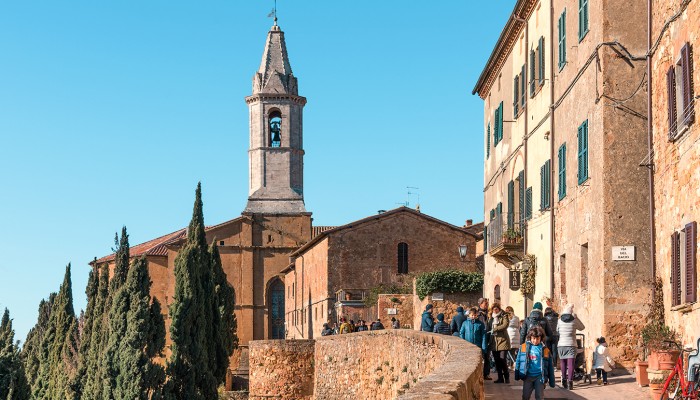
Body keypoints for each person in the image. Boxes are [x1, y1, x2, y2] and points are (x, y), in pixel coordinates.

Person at [514, 326, 555, 400]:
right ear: (530, 338)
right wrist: (517, 374)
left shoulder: (545, 350)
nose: (535, 341)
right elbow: (518, 361)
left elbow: (550, 367)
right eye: (533, 338)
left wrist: (552, 381)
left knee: (539, 396)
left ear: (541, 338)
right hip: (527, 376)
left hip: (539, 377)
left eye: (538, 338)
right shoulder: (523, 347)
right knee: (525, 396)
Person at [557, 303, 585, 390]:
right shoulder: (574, 320)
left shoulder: (559, 320)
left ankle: (564, 381)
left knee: (563, 363)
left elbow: (557, 330)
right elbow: (582, 327)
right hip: (571, 344)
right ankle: (570, 382)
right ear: (571, 312)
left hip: (561, 344)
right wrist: (576, 318)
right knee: (571, 364)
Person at [487, 304, 511, 383]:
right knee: (497, 360)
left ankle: (507, 377)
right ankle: (500, 378)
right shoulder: (491, 317)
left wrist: (495, 329)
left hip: (503, 340)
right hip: (494, 341)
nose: (495, 310)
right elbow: (488, 327)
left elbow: (505, 325)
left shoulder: (504, 315)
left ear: (499, 309)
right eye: (494, 309)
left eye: (496, 309)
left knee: (503, 359)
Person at [477, 298, 492, 380]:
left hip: (488, 337)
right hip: (481, 337)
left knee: (487, 357)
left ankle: (486, 374)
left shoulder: (489, 314)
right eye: (485, 303)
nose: (487, 305)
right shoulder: (478, 314)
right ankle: (480, 374)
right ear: (480, 304)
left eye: (487, 303)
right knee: (480, 356)